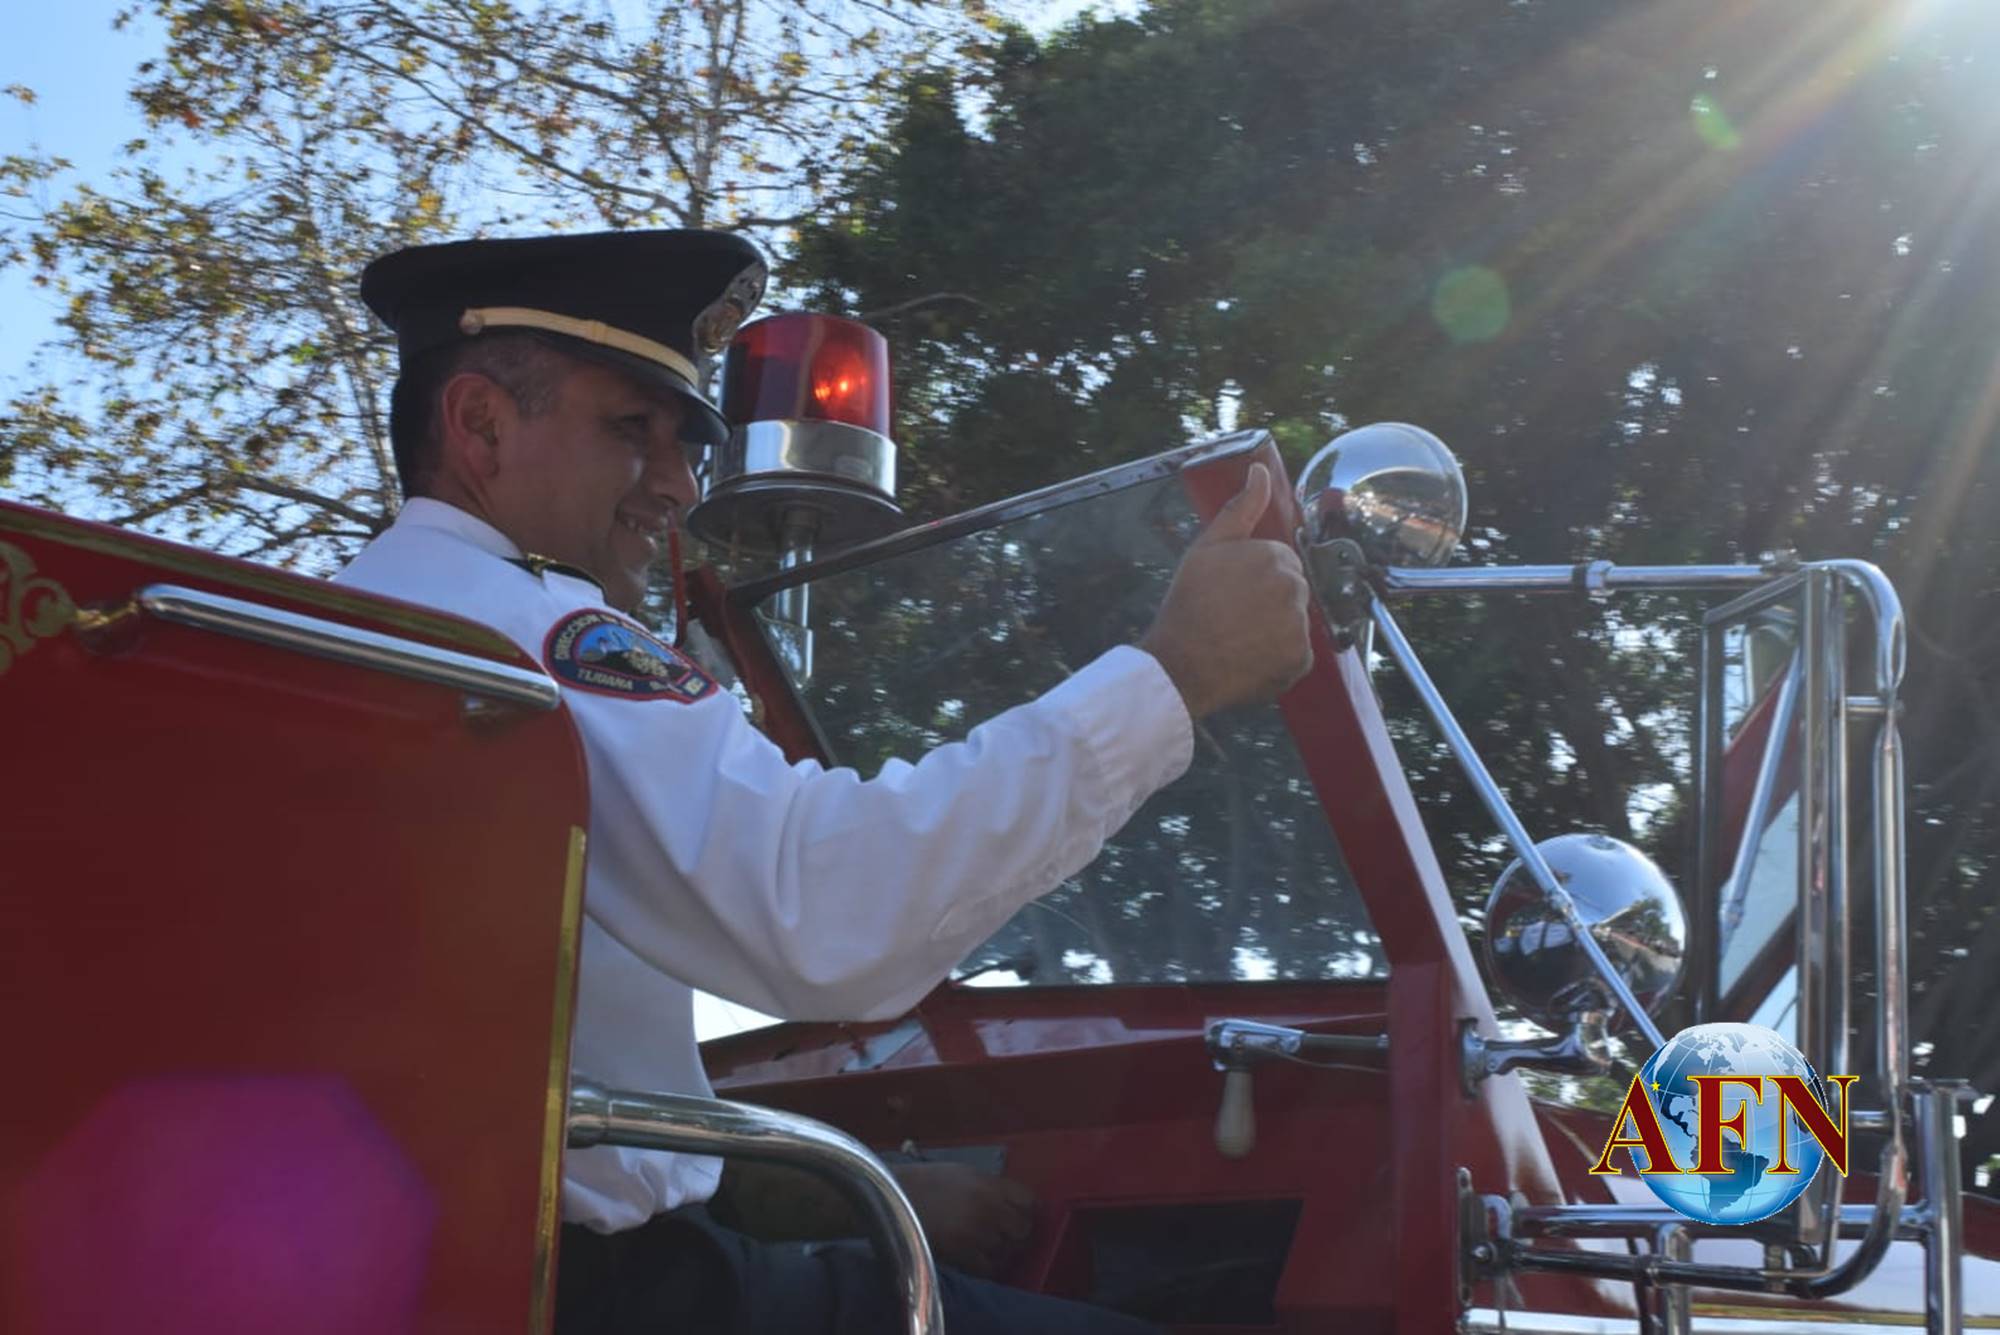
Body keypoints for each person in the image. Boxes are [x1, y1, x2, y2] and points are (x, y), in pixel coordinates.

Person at [336, 229, 1316, 1334]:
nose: (677, 485)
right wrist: (1173, 675)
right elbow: (830, 908)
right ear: (478, 425)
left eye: (683, 443)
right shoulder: (531, 635)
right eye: (630, 430)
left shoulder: (352, 626)